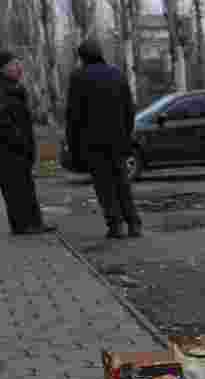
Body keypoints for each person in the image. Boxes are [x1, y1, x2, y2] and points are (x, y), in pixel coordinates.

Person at [66, 38, 143, 239]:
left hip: (93, 143)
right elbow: (129, 109)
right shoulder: (117, 74)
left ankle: (115, 225)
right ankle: (134, 223)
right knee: (122, 183)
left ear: (82, 57)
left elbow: (73, 116)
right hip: (118, 140)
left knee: (104, 186)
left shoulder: (78, 78)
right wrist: (126, 134)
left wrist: (73, 145)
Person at [0, 51, 55, 235]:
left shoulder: (15, 87)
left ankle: (35, 222)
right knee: (14, 188)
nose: (19, 68)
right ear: (3, 68)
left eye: (19, 64)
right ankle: (21, 225)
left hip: (21, 148)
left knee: (27, 186)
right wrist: (18, 139)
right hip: (7, 149)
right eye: (15, 64)